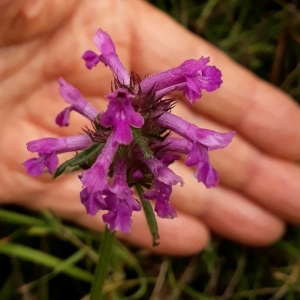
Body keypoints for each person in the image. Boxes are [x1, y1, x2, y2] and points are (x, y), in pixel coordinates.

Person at [1, 0, 299, 256]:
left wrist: (180, 143)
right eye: (118, 101)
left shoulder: (156, 119)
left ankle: (168, 162)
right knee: (102, 157)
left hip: (146, 146)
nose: (120, 102)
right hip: (114, 148)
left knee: (183, 139)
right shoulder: (116, 116)